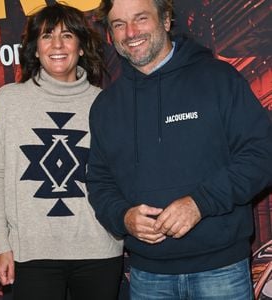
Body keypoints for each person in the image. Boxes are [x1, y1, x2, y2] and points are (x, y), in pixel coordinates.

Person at [86, 0, 272, 299]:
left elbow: (262, 155)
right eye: (118, 24)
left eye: (141, 19)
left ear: (167, 20)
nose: (130, 32)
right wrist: (123, 216)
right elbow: (99, 181)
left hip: (221, 271)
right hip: (147, 277)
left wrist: (200, 203)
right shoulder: (106, 106)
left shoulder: (218, 79)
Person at [0, 3, 123, 300]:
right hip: (31, 254)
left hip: (98, 250)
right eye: (47, 36)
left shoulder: (105, 104)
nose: (57, 45)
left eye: (68, 35)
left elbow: (121, 176)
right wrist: (2, 244)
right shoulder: (10, 100)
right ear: (35, 49)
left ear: (82, 48)